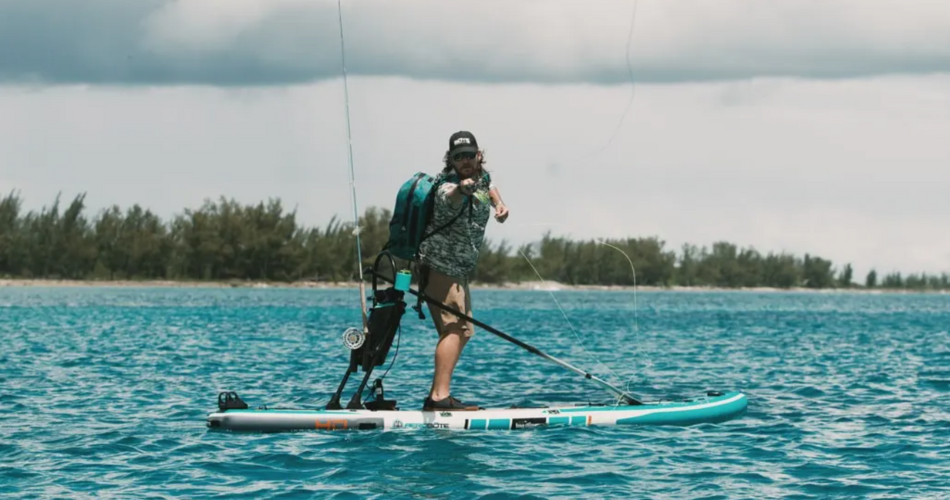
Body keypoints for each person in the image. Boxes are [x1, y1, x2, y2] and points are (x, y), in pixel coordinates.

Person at [417, 131, 509, 411]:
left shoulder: (483, 179)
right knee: (456, 328)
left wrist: (499, 205)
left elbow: (488, 185)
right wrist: (463, 188)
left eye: (469, 155)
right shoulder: (447, 186)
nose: (465, 161)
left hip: (457, 270)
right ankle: (438, 399)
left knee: (462, 330)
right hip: (439, 268)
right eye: (458, 158)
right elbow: (452, 197)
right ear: (451, 161)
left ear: (478, 155)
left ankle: (438, 394)